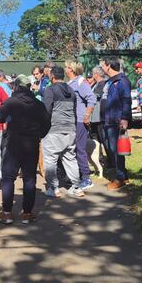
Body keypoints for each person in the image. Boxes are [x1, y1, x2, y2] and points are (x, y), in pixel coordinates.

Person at [0, 75, 51, 224]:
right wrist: (38, 135)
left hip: (14, 143)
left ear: (17, 86)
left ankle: (7, 213)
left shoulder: (11, 102)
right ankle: (27, 214)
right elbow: (46, 124)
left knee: (8, 177)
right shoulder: (38, 104)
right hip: (31, 144)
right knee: (29, 178)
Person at [42, 66, 84, 198]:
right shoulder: (71, 90)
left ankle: (53, 188)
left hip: (54, 130)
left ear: (52, 76)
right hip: (70, 129)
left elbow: (46, 110)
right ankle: (76, 187)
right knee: (70, 158)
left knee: (50, 159)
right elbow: (74, 110)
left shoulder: (50, 89)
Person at [100, 57, 133, 191]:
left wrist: (125, 118)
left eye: (103, 65)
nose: (101, 67)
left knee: (116, 150)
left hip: (116, 121)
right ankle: (123, 175)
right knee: (112, 149)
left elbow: (126, 100)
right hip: (108, 120)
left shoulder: (122, 81)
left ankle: (119, 178)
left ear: (108, 66)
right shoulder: (109, 82)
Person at [65, 60, 97, 190]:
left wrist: (87, 116)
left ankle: (86, 178)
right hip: (71, 121)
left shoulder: (81, 82)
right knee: (72, 149)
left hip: (80, 121)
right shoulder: (69, 83)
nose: (65, 70)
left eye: (66, 67)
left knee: (80, 149)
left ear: (72, 69)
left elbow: (91, 98)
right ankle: (76, 175)